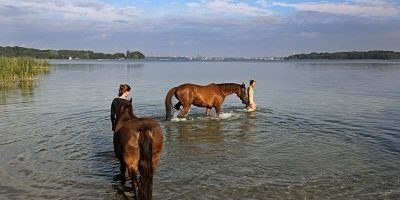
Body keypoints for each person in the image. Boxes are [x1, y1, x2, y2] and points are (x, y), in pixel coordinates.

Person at [110, 83, 131, 181]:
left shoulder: (114, 100)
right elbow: (130, 117)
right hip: (127, 126)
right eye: (128, 92)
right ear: (126, 91)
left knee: (118, 148)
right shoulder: (128, 103)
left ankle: (122, 173)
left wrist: (113, 126)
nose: (129, 94)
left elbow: (112, 115)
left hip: (118, 126)